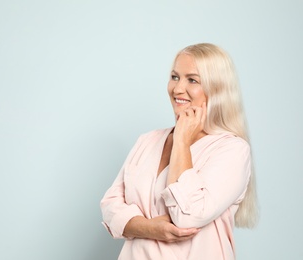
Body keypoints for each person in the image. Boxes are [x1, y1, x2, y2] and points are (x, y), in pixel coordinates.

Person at [100, 43, 258, 260]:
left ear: (217, 89)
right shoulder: (148, 140)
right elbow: (110, 206)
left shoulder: (232, 150)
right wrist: (149, 228)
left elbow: (187, 215)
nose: (177, 89)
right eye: (175, 77)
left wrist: (182, 140)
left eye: (192, 80)